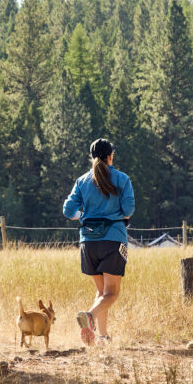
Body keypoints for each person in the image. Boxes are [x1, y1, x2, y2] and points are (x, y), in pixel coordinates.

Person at [63, 137, 135, 346]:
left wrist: (85, 214)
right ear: (111, 155)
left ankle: (102, 337)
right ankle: (90, 316)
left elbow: (68, 211)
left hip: (88, 241)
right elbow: (129, 210)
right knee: (112, 293)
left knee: (101, 292)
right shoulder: (122, 179)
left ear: (92, 157)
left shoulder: (82, 180)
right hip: (113, 240)